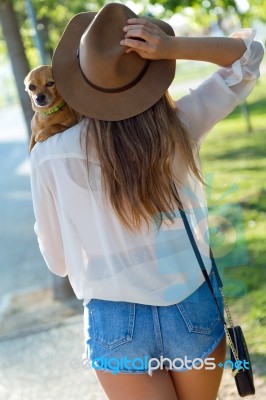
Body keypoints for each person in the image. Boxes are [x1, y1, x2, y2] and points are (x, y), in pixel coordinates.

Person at [30, 3, 264, 400]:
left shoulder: (49, 154)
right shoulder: (180, 126)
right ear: (153, 75)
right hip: (191, 305)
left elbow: (58, 261)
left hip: (115, 320)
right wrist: (170, 45)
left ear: (78, 79)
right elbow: (248, 58)